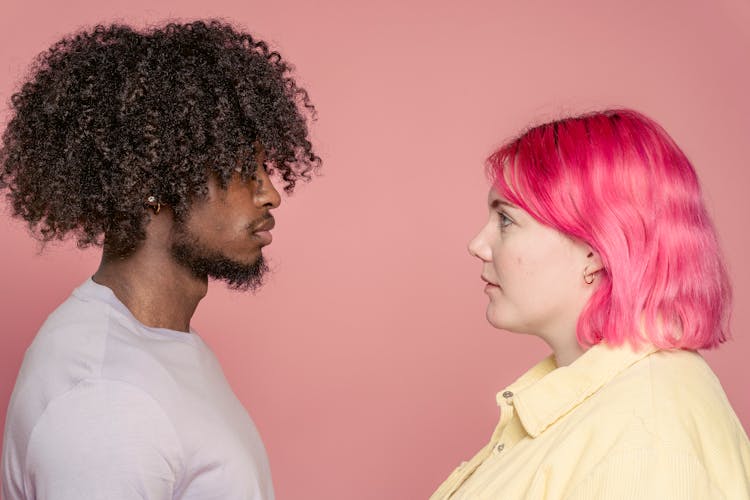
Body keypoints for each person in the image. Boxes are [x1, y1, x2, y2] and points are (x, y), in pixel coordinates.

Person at [0, 20, 319, 500]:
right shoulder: (105, 404)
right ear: (153, 188)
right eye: (240, 171)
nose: (271, 194)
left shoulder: (160, 344)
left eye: (265, 169)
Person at [431, 109, 750, 499]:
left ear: (595, 250)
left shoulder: (645, 440)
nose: (477, 245)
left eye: (506, 220)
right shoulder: (601, 408)